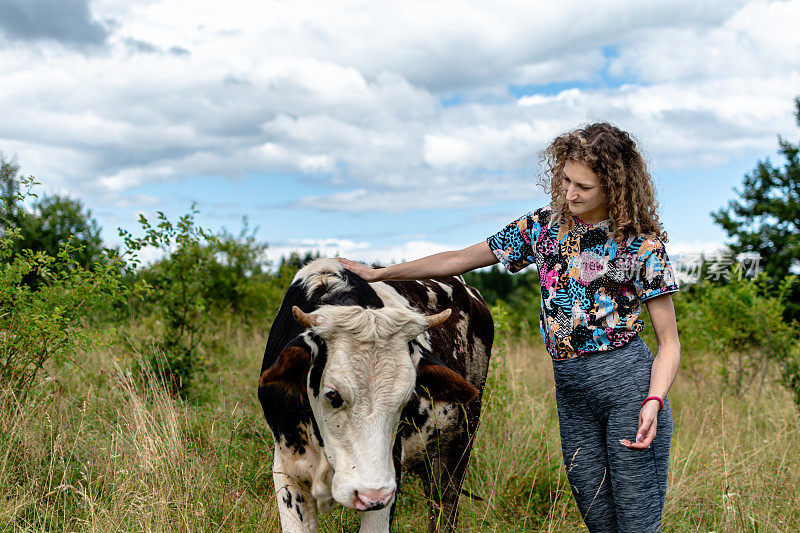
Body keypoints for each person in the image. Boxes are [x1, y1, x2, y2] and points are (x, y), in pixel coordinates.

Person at [337, 122, 680, 532]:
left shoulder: (641, 245)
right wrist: (382, 274)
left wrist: (654, 400)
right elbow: (460, 260)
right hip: (572, 395)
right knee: (600, 523)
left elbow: (669, 344)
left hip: (629, 391)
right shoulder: (544, 227)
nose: (569, 193)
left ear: (614, 186)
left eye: (583, 187)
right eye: (566, 180)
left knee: (638, 523)